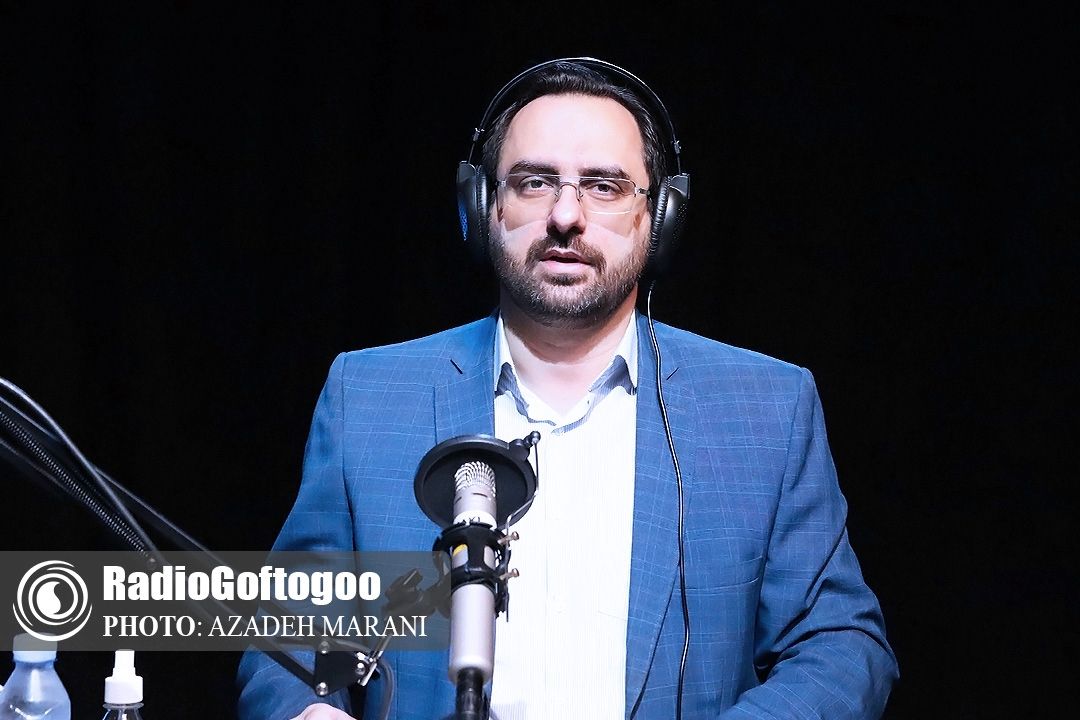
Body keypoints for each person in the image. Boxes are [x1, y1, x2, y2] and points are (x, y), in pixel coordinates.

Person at [237, 58, 898, 720]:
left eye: (604, 186)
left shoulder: (765, 409)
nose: (565, 216)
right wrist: (304, 708)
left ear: (659, 217)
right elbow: (291, 632)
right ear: (483, 206)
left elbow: (840, 645)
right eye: (534, 182)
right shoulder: (368, 396)